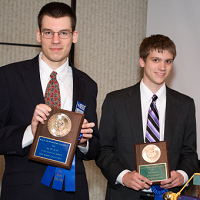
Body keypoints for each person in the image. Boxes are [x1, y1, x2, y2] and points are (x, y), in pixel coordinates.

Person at [0, 2, 100, 200]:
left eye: (63, 33)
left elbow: (96, 147)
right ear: (38, 35)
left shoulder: (88, 84)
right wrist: (32, 131)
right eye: (48, 33)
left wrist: (83, 142)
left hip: (73, 192)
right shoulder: (8, 77)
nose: (56, 40)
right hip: (24, 192)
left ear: (74, 36)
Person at [96, 34, 198, 200]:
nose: (162, 67)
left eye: (168, 61)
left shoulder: (185, 105)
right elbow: (103, 150)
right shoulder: (115, 101)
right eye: (156, 60)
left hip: (168, 196)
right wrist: (124, 176)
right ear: (142, 61)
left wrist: (182, 175)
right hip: (124, 194)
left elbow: (190, 154)